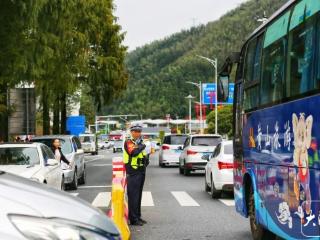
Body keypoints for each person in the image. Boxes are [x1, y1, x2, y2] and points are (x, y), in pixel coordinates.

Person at [123, 124, 149, 226]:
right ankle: (133, 219)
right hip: (133, 172)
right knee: (133, 196)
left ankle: (138, 216)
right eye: (136, 131)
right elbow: (133, 152)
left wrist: (146, 159)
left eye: (139, 131)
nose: (138, 133)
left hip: (141, 170)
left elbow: (142, 154)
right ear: (132, 132)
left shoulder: (139, 142)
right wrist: (142, 146)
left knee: (138, 196)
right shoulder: (129, 142)